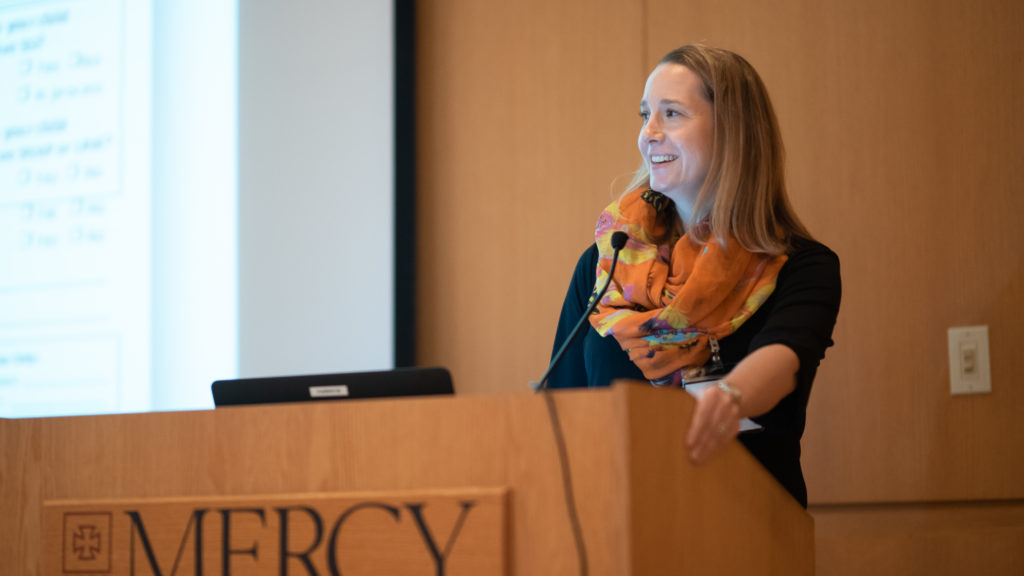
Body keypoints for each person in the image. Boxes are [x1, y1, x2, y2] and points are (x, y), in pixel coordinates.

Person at [547, 45, 841, 507]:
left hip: (746, 520)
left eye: (672, 113)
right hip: (620, 521)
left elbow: (783, 362)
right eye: (645, 114)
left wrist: (731, 396)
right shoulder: (606, 263)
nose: (648, 134)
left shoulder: (800, 266)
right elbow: (561, 408)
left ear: (734, 132)